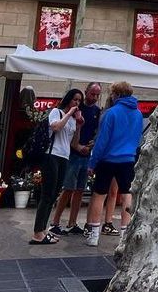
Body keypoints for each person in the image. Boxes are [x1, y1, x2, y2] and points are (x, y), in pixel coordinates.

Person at [85, 81, 143, 247]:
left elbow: (101, 141)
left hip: (108, 159)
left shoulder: (111, 113)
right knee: (127, 195)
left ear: (116, 94)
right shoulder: (138, 114)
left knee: (99, 195)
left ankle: (93, 235)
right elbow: (138, 138)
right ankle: (125, 235)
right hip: (128, 159)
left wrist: (92, 162)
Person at [30, 88, 84, 244]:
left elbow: (74, 143)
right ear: (68, 99)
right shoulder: (56, 112)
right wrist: (69, 113)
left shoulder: (73, 120)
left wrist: (79, 125)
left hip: (64, 157)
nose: (77, 103)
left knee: (54, 195)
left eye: (79, 101)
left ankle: (43, 229)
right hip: (51, 155)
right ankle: (37, 233)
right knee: (47, 194)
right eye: (75, 99)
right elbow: (56, 128)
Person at [49, 82, 102, 236]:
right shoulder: (77, 110)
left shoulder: (97, 111)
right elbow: (68, 131)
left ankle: (72, 222)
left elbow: (95, 131)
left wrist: (92, 144)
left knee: (79, 189)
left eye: (97, 95)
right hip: (72, 153)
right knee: (68, 188)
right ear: (86, 92)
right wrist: (78, 147)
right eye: (92, 94)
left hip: (86, 154)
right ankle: (55, 221)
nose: (94, 97)